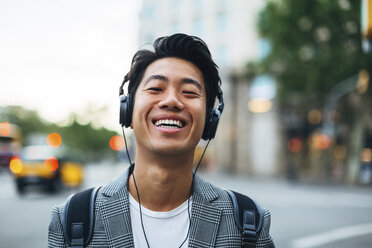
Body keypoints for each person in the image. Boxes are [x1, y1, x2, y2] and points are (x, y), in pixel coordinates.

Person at [48, 33, 275, 248]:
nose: (171, 101)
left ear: (210, 119)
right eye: (156, 88)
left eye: (189, 92)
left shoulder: (249, 223)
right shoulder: (72, 219)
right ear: (127, 110)